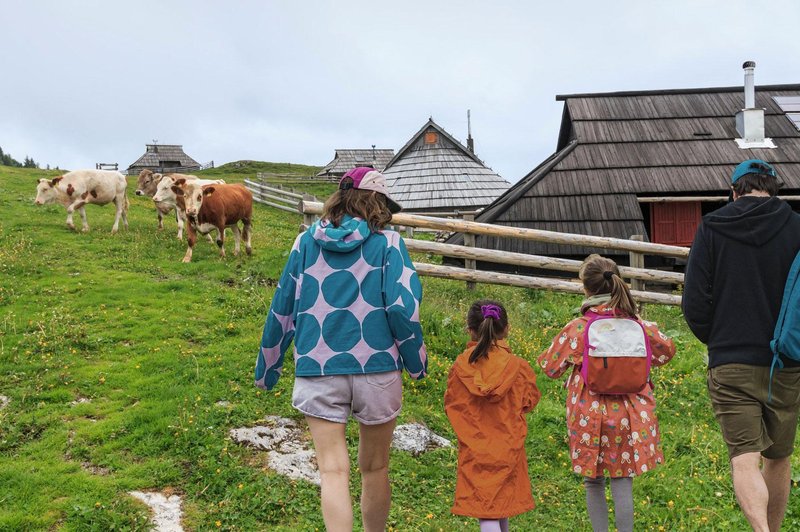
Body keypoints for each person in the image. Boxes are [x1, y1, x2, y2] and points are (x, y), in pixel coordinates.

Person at [255, 166, 427, 532]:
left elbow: (283, 306)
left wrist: (268, 368)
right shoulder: (390, 244)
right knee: (376, 468)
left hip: (318, 369)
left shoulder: (305, 243)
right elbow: (402, 308)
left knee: (332, 470)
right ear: (377, 202)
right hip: (378, 368)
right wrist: (416, 363)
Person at [682, 159, 800, 532]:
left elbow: (694, 303)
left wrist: (719, 340)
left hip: (731, 362)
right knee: (778, 458)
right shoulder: (797, 226)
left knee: (744, 460)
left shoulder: (712, 227)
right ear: (774, 189)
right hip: (786, 362)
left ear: (733, 192)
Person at [537, 255, 676, 532]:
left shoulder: (578, 329)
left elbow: (550, 367)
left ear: (586, 289)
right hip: (631, 416)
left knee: (593, 480)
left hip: (589, 415)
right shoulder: (639, 326)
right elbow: (666, 351)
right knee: (622, 479)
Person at [444, 300, 540, 532]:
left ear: (470, 331)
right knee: (500, 504)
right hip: (509, 444)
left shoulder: (461, 366)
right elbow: (529, 400)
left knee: (487, 510)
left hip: (475, 446)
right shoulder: (518, 366)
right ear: (506, 329)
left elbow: (452, 404)